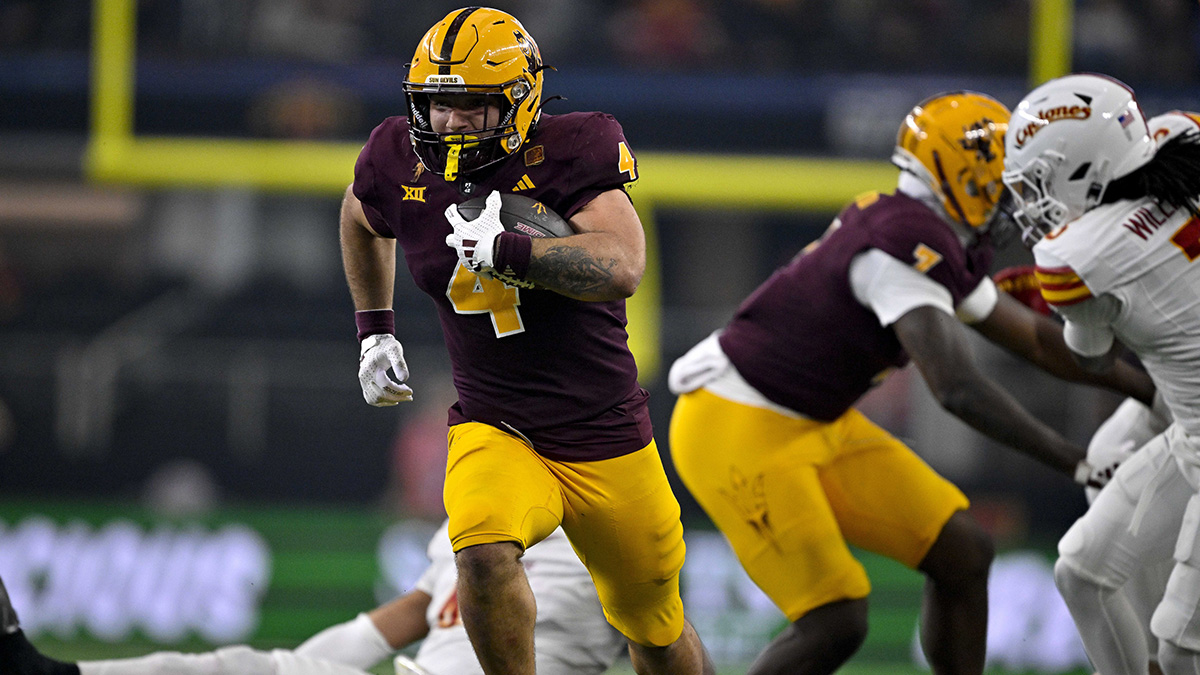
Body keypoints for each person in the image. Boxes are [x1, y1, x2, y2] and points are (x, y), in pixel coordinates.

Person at [666, 91, 1158, 675]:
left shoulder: (929, 233)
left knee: (963, 554)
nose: (1017, 196)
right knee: (835, 620)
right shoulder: (904, 249)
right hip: (735, 422)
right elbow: (957, 389)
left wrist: (1147, 387)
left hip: (813, 419)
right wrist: (1075, 461)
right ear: (966, 174)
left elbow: (1031, 338)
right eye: (1007, 178)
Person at [343, 7, 712, 674]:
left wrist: (514, 253)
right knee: (480, 549)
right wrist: (374, 330)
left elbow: (623, 264)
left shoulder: (572, 150)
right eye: (437, 104)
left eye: (473, 106)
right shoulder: (397, 156)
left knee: (654, 629)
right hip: (496, 422)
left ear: (520, 101)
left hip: (604, 436)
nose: (450, 121)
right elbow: (358, 214)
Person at [1002, 74, 1200, 675]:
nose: (1032, 201)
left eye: (1038, 182)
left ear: (1083, 166)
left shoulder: (1077, 254)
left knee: (1179, 645)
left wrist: (1048, 305)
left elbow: (1089, 357)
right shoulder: (1177, 139)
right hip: (1189, 432)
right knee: (1081, 572)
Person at [0, 523, 627, 675]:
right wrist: (290, 667)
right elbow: (382, 629)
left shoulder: (619, 537)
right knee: (239, 668)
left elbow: (671, 647)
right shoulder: (478, 512)